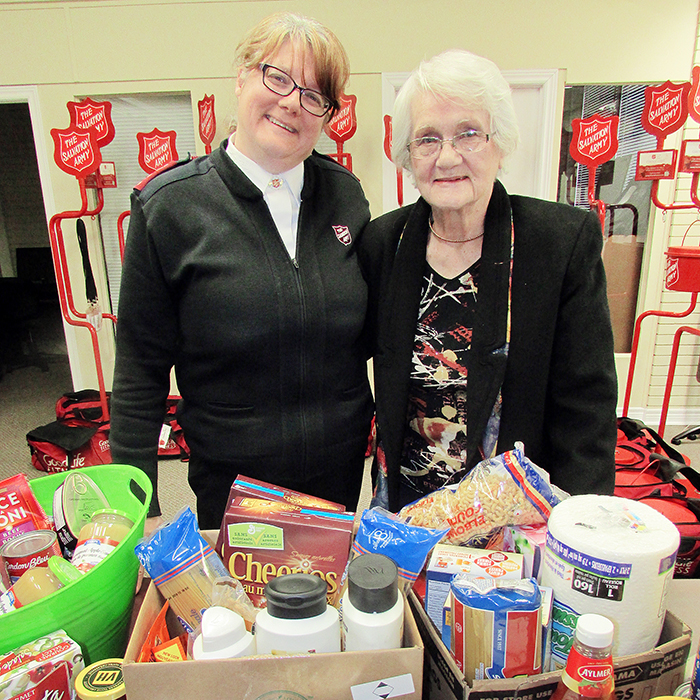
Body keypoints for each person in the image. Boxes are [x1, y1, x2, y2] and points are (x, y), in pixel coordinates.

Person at [110, 12, 374, 530]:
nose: (291, 102)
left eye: (314, 95)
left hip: (339, 473)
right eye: (277, 77)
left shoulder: (346, 194)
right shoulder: (169, 207)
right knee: (245, 608)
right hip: (234, 484)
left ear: (326, 114)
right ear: (241, 77)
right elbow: (139, 367)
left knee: (328, 603)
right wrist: (133, 502)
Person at [359, 49, 617, 512]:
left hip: (513, 513)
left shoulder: (558, 242)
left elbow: (586, 407)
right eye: (427, 139)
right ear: (408, 154)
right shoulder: (385, 242)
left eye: (469, 134)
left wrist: (582, 524)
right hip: (405, 507)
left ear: (501, 144)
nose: (448, 156)